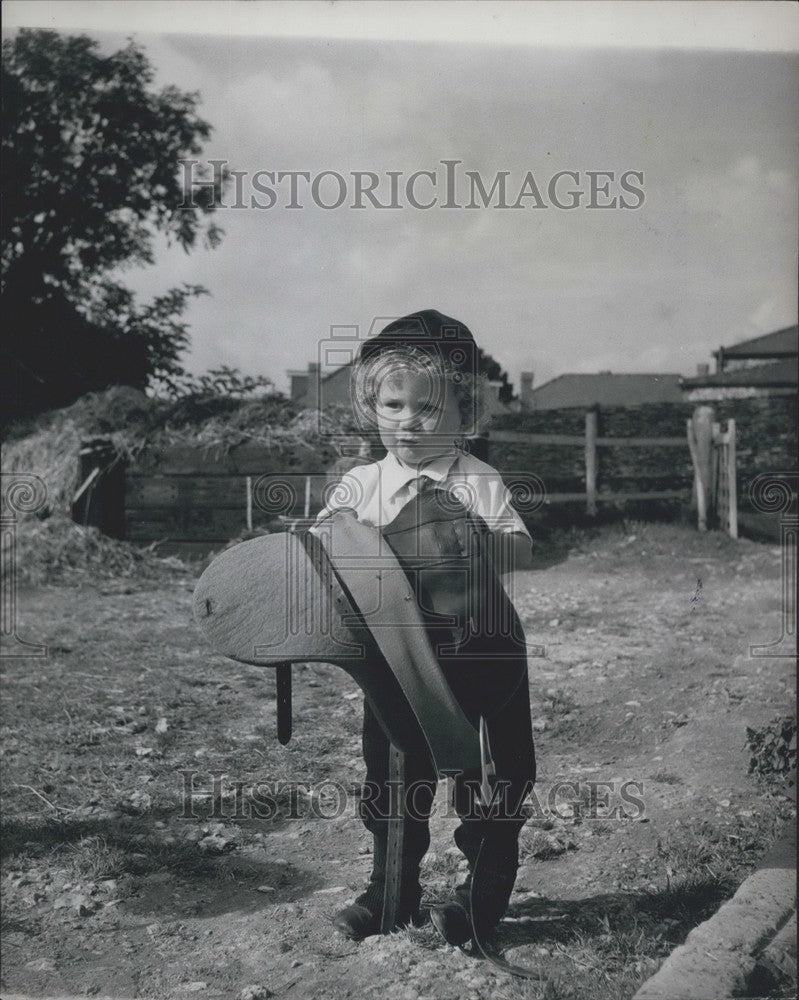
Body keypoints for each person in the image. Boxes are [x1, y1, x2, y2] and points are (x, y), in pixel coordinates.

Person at [311, 309, 536, 947]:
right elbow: (324, 557)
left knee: (492, 774)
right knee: (391, 772)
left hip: (482, 650)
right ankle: (391, 891)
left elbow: (521, 549)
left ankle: (482, 891)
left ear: (464, 410)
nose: (409, 420)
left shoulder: (476, 481)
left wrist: (477, 540)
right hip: (398, 660)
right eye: (393, 404)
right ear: (371, 406)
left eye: (430, 407)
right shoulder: (359, 486)